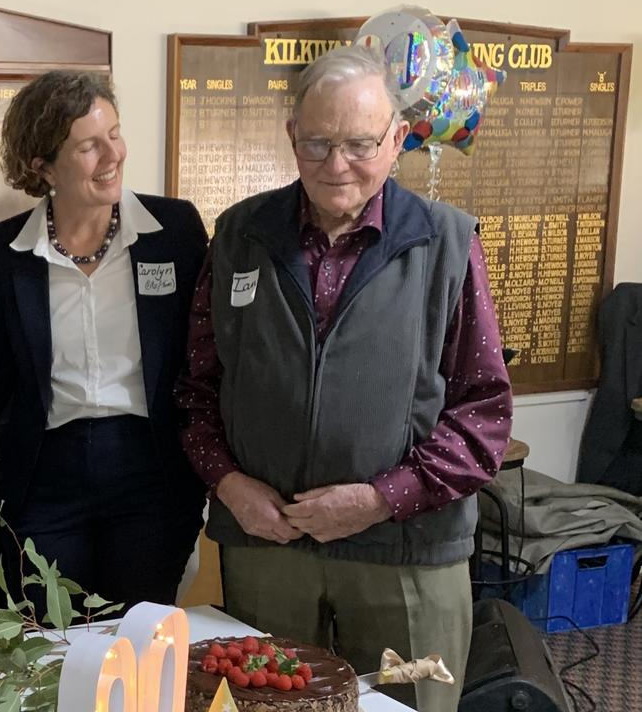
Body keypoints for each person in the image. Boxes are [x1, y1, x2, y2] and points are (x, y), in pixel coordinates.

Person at [175, 45, 513, 712]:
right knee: (260, 706)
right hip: (266, 546)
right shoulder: (240, 234)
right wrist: (230, 485)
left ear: (395, 139)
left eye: (359, 143)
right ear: (291, 137)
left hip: (407, 553)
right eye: (317, 143)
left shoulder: (445, 242)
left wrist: (379, 498)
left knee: (406, 707)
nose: (335, 166)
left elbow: (483, 414)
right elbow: (195, 388)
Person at [0, 71, 208, 611]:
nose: (113, 154)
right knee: (49, 645)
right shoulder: (5, 252)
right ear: (42, 167)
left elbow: (203, 357)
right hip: (45, 475)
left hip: (149, 473)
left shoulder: (175, 231)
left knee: (136, 639)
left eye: (114, 133)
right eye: (89, 145)